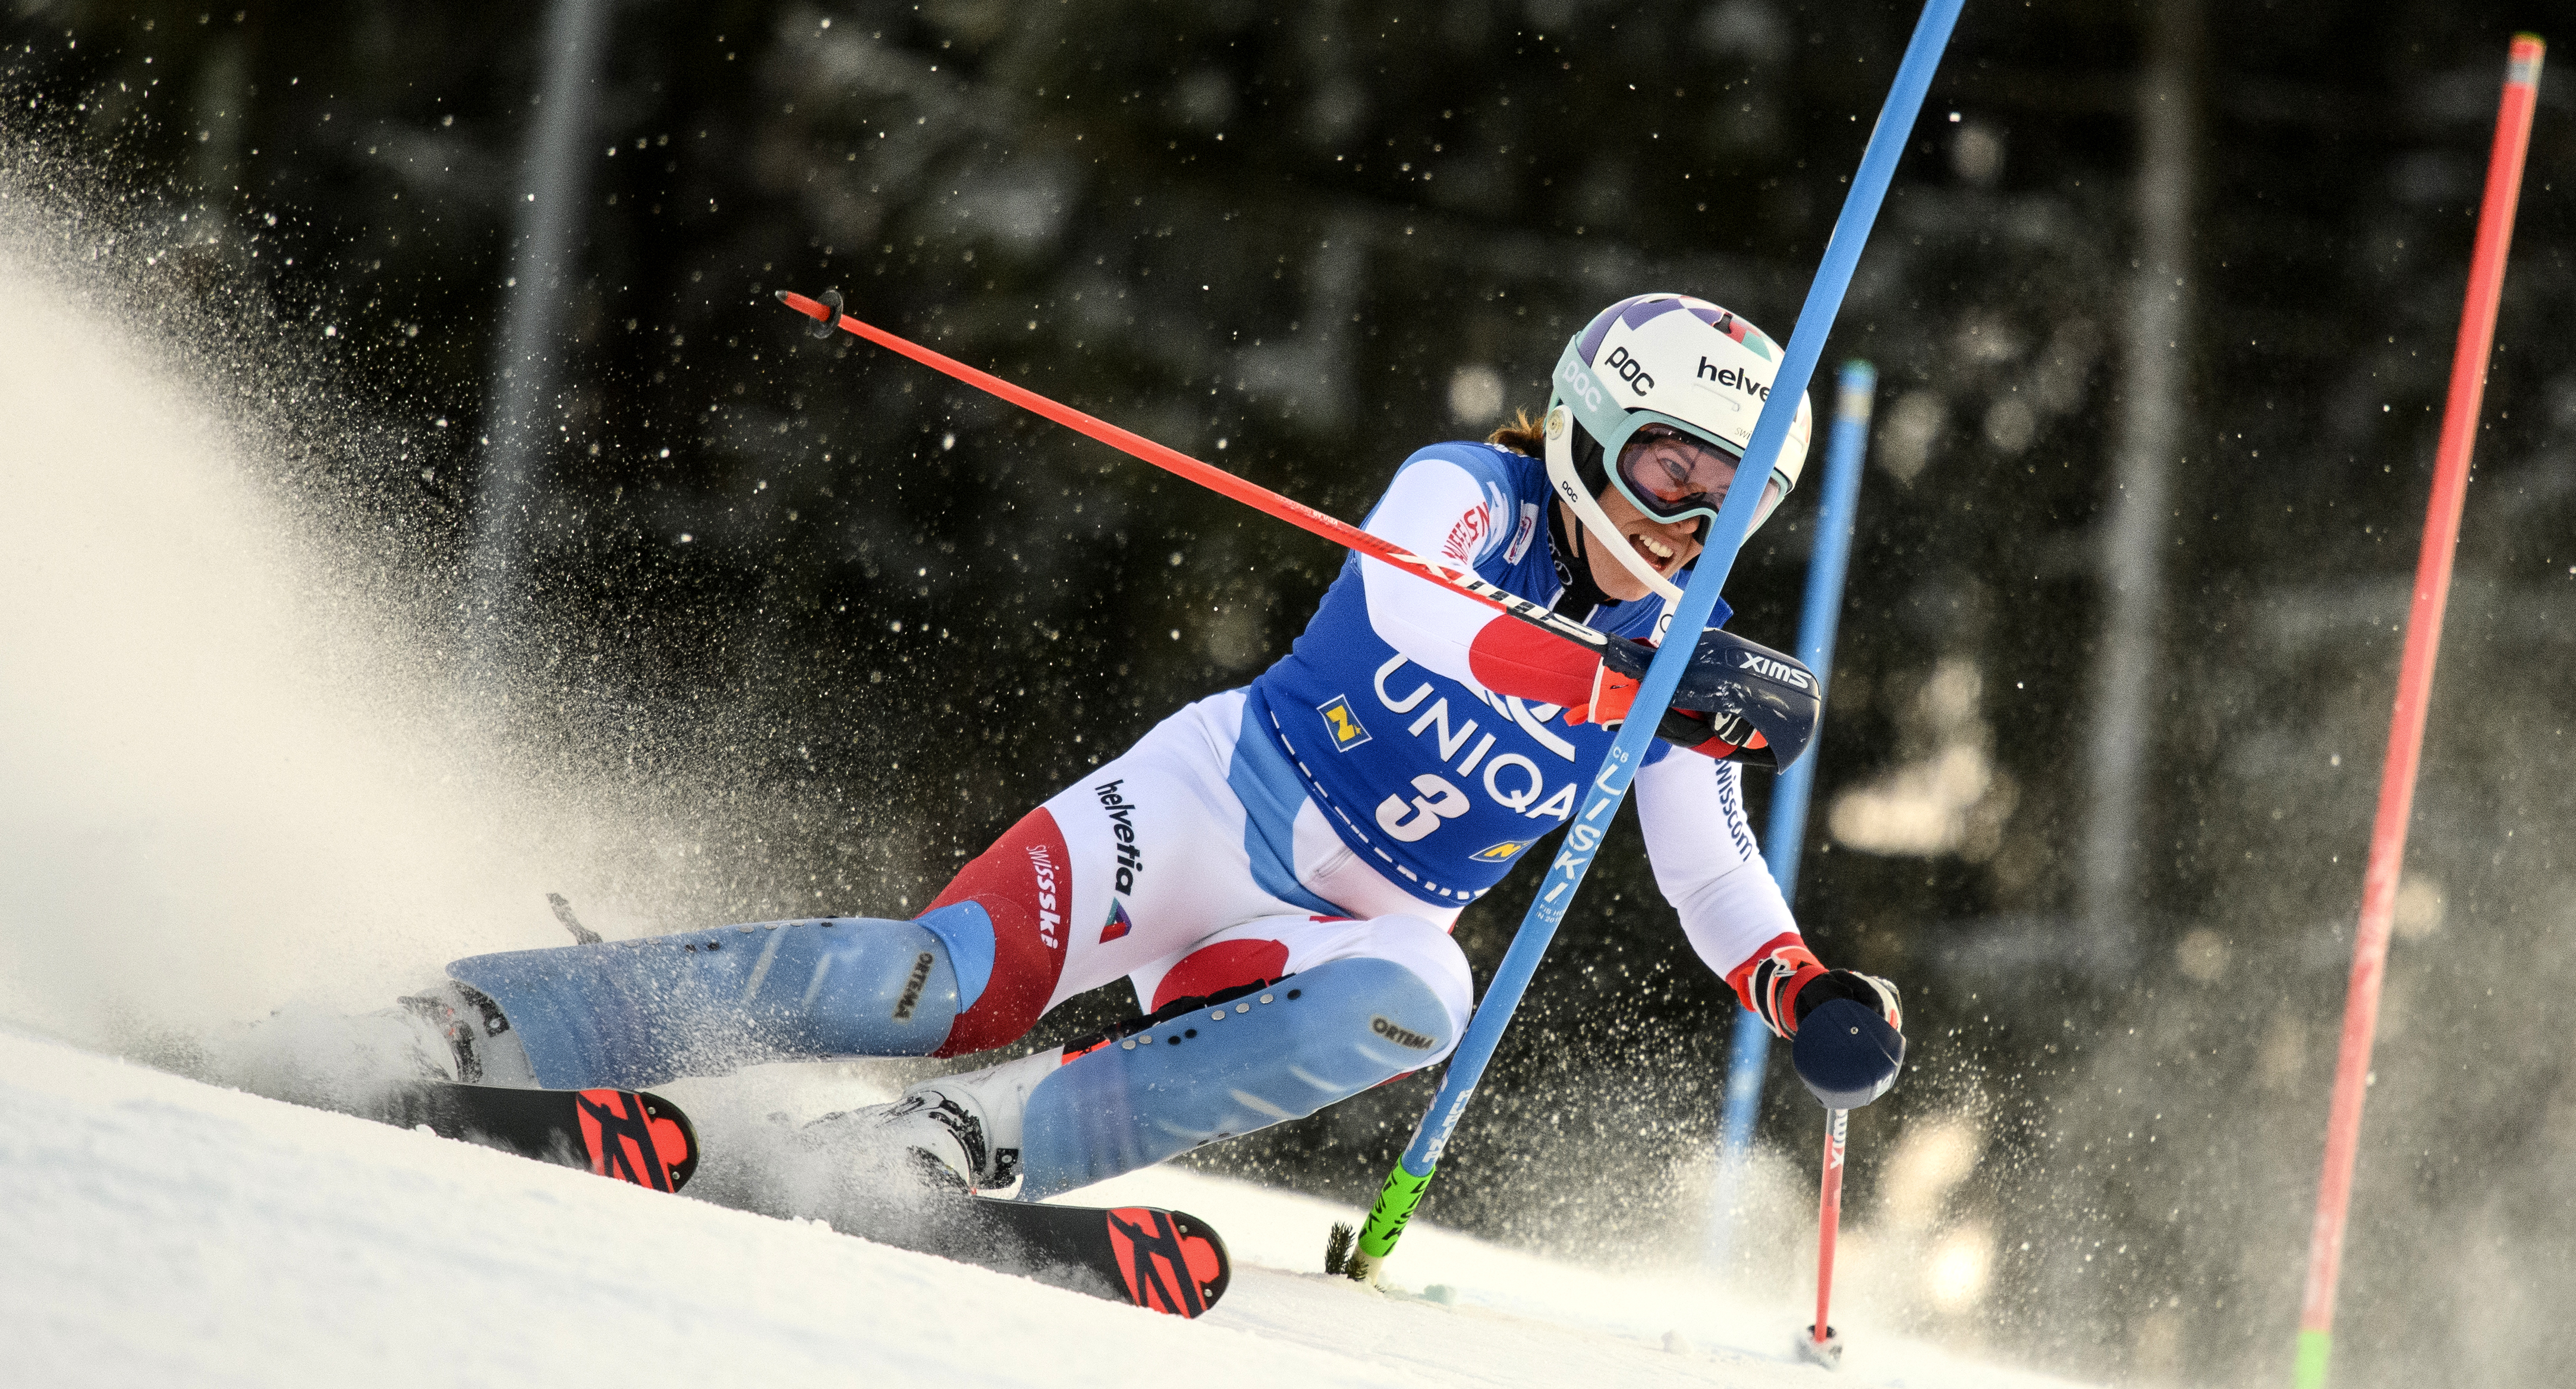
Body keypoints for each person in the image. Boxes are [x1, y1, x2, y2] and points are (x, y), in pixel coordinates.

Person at [400, 292, 1906, 1201]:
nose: (1688, 522)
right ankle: (492, 1019)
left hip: (1338, 932)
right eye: (1664, 467)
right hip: (1199, 812)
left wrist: (1802, 989)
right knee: (932, 985)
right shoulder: (1470, 494)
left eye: (1732, 497)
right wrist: (1627, 685)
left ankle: (961, 1149)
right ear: (1588, 426)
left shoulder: (1676, 670)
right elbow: (1421, 614)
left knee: (1422, 994)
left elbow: (1709, 862)